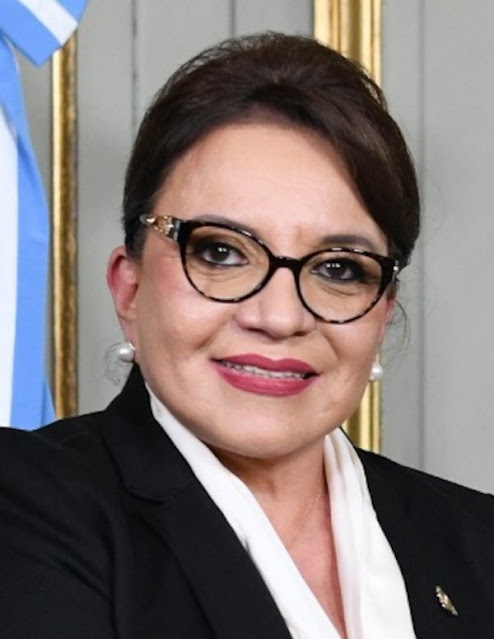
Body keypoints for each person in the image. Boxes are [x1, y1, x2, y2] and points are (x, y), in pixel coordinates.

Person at [1, 32, 494, 639]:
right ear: (129, 288)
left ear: (382, 314)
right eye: (221, 252)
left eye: (339, 268)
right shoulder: (24, 504)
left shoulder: (479, 539)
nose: (280, 317)